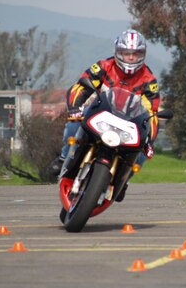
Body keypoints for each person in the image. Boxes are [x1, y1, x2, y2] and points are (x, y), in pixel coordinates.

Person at [49, 29, 160, 199]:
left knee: (142, 153)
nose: (130, 57)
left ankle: (123, 180)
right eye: (126, 53)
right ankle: (64, 157)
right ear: (118, 52)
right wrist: (74, 107)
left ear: (142, 54)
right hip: (99, 112)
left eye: (135, 54)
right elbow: (81, 86)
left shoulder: (149, 80)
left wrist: (149, 139)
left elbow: (151, 112)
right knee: (74, 121)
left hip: (127, 125)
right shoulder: (103, 66)